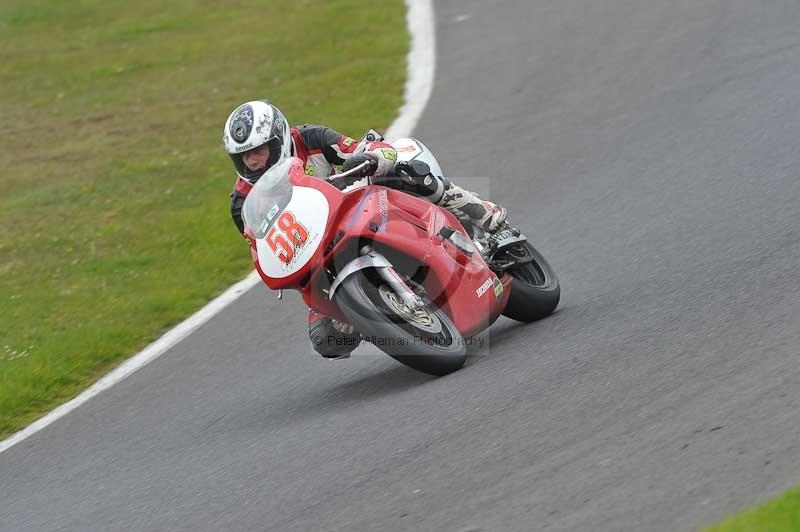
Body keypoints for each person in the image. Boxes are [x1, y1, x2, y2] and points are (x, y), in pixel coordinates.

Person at [223, 99, 507, 359]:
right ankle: (386, 318)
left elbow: (364, 148)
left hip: (355, 204)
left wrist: (372, 157)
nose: (252, 162)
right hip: (316, 253)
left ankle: (484, 215)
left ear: (279, 138)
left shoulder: (310, 138)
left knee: (408, 171)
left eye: (258, 151)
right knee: (327, 340)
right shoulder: (242, 202)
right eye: (243, 157)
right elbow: (263, 247)